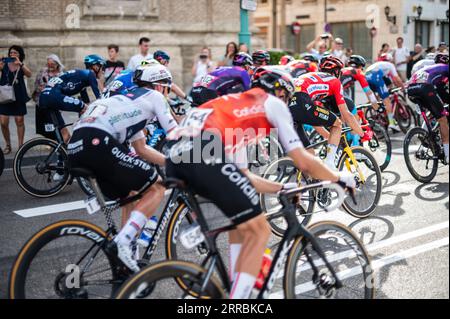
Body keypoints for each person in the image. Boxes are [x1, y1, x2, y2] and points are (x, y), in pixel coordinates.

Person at [165, 67, 356, 299]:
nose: (287, 102)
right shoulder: (271, 103)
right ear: (281, 92)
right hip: (203, 152)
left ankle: (239, 284)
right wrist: (338, 177)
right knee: (260, 229)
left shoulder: (235, 110)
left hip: (175, 155)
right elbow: (303, 160)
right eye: (287, 97)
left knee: (242, 224)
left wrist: (281, 187)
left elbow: (243, 175)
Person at [68, 64, 178, 271]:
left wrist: (171, 163)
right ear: (160, 86)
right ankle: (123, 243)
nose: (166, 94)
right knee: (158, 186)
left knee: (133, 194)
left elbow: (141, 149)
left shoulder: (129, 102)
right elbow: (175, 133)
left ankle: (127, 261)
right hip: (96, 141)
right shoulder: (154, 97)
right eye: (167, 89)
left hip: (76, 147)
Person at [288, 56, 368, 167]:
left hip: (288, 105)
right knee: (338, 124)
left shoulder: (310, 77)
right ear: (336, 72)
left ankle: (304, 181)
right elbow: (346, 114)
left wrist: (329, 136)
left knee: (309, 153)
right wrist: (362, 134)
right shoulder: (334, 81)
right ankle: (330, 164)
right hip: (302, 100)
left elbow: (313, 120)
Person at [39, 54, 105, 143]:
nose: (103, 71)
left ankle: (62, 154)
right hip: (53, 95)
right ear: (96, 67)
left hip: (44, 97)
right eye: (102, 68)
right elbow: (100, 99)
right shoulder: (90, 74)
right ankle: (82, 139)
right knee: (85, 109)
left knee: (65, 136)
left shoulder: (83, 79)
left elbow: (86, 101)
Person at [407, 53, 449, 163]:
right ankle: (448, 155)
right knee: (442, 118)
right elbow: (443, 93)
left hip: (411, 89)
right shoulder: (446, 68)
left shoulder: (432, 69)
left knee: (434, 110)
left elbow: (441, 92)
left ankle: (425, 134)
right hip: (425, 88)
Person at [0, 45, 32, 154]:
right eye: (11, 53)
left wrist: (20, 64)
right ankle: (8, 144)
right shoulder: (3, 64)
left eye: (15, 53)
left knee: (19, 121)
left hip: (18, 96)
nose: (12, 54)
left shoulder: (20, 65)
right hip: (5, 96)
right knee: (3, 122)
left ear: (20, 55)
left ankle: (21, 146)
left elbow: (29, 74)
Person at [365, 53, 405, 132]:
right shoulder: (390, 65)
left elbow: (388, 81)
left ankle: (370, 118)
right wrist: (403, 87)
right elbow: (396, 78)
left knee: (374, 100)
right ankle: (391, 123)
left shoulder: (379, 64)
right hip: (376, 76)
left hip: (366, 76)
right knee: (387, 101)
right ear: (390, 60)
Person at [32, 54, 64, 139]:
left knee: (55, 123)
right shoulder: (43, 72)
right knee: (45, 125)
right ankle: (49, 140)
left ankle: (56, 140)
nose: (50, 66)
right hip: (42, 102)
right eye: (48, 64)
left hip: (54, 103)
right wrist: (41, 88)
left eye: (52, 64)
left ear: (57, 64)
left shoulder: (61, 75)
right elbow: (36, 85)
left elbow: (63, 89)